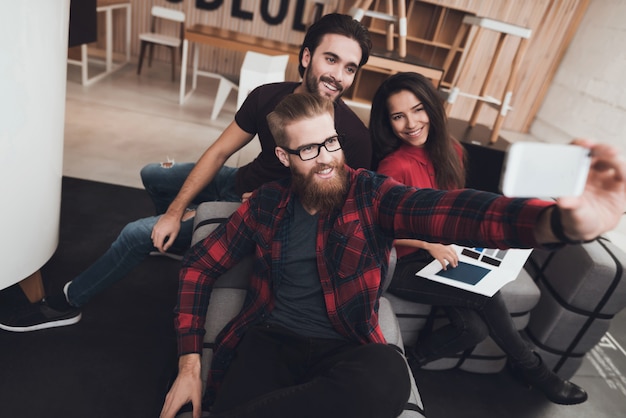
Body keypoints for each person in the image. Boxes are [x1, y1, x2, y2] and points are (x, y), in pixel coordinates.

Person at [159, 92, 626, 418]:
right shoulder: (263, 206)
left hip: (343, 349)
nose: (326, 158)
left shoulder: (369, 193)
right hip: (267, 338)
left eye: (331, 142)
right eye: (308, 149)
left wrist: (557, 223)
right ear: (283, 157)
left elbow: (451, 212)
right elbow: (200, 266)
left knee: (388, 373)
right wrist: (189, 365)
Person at [0, 13, 373, 333]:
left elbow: (329, 216)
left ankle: (66, 303)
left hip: (255, 215)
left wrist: (220, 213)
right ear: (307, 57)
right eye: (331, 59)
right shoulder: (267, 96)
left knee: (134, 234)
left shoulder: (353, 138)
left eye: (349, 68)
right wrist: (175, 213)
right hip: (237, 181)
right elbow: (220, 151)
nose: (337, 76)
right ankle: (176, 241)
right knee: (153, 174)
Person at [370, 71, 588, 405]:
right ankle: (533, 369)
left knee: (473, 329)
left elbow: (457, 210)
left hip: (445, 257)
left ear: (432, 108)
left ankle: (411, 361)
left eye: (418, 110)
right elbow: (383, 228)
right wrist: (430, 243)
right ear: (388, 122)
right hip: (405, 261)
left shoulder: (452, 151)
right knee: (486, 296)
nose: (411, 123)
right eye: (398, 116)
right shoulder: (393, 165)